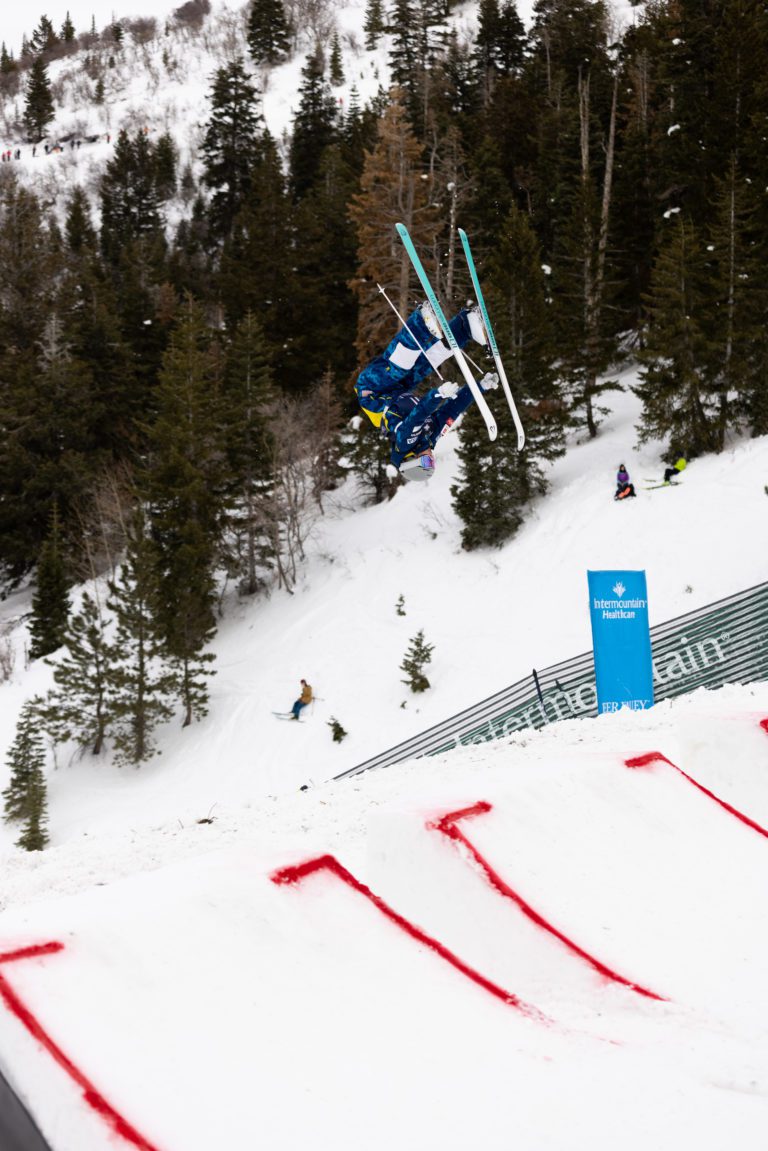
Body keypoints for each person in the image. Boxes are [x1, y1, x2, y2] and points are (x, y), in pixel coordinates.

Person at [355, 302, 498, 481]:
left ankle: (421, 321)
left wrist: (437, 395)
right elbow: (452, 409)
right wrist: (480, 387)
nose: (430, 458)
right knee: (427, 363)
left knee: (400, 366)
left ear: (412, 459)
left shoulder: (405, 441)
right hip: (398, 390)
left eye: (426, 462)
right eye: (432, 463)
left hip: (371, 390)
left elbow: (419, 415)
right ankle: (466, 326)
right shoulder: (430, 437)